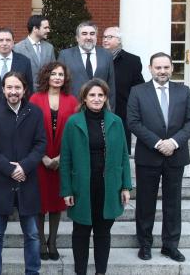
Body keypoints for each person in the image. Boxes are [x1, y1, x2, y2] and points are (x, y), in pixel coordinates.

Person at [128, 52, 190, 263]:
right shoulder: (138, 91)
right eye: (158, 67)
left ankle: (170, 246)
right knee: (145, 203)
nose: (162, 71)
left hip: (176, 156)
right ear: (150, 69)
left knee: (173, 203)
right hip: (148, 155)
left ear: (172, 69)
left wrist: (173, 142)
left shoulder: (183, 91)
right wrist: (158, 143)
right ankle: (145, 245)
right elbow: (133, 121)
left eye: (166, 67)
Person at [60, 78, 132, 275]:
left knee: (103, 233)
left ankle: (101, 272)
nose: (96, 98)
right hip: (82, 186)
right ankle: (80, 271)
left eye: (101, 95)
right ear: (84, 98)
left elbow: (124, 157)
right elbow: (65, 159)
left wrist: (126, 186)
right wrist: (66, 189)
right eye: (92, 95)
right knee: (81, 232)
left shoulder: (116, 122)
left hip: (108, 186)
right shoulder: (73, 122)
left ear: (106, 97)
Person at [0, 71, 46, 275]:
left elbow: (40, 144)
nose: (13, 91)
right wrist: (10, 169)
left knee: (33, 235)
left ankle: (32, 272)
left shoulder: (34, 112)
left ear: (24, 89)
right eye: (9, 87)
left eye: (17, 87)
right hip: (0, 182)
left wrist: (23, 167)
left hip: (28, 182)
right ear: (3, 89)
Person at [28, 62, 77, 261]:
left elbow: (74, 133)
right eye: (54, 74)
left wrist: (60, 158)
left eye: (61, 74)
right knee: (40, 203)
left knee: (57, 202)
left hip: (62, 160)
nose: (57, 77)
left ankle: (53, 241)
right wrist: (42, 157)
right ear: (46, 76)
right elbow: (28, 131)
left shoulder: (72, 100)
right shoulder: (35, 98)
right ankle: (40, 241)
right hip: (39, 159)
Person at [102, 26, 145, 154]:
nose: (105, 40)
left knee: (120, 150)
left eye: (110, 37)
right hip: (98, 107)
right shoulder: (97, 57)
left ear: (119, 40)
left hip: (122, 110)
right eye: (104, 37)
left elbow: (138, 87)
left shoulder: (132, 61)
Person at [58, 21, 116, 108]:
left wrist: (110, 111)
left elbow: (111, 85)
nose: (88, 37)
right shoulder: (65, 55)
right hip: (73, 108)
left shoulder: (106, 55)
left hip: (100, 109)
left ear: (96, 37)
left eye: (92, 34)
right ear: (77, 38)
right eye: (84, 34)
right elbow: (59, 84)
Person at [0, 27, 33, 104]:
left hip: (17, 109)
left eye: (8, 40)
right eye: (1, 40)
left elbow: (29, 89)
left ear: (13, 42)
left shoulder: (24, 61)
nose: (4, 43)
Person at [14, 15, 56, 91]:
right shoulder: (18, 48)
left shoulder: (49, 48)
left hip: (45, 92)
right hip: (26, 93)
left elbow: (53, 70)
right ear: (35, 29)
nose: (48, 30)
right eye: (45, 28)